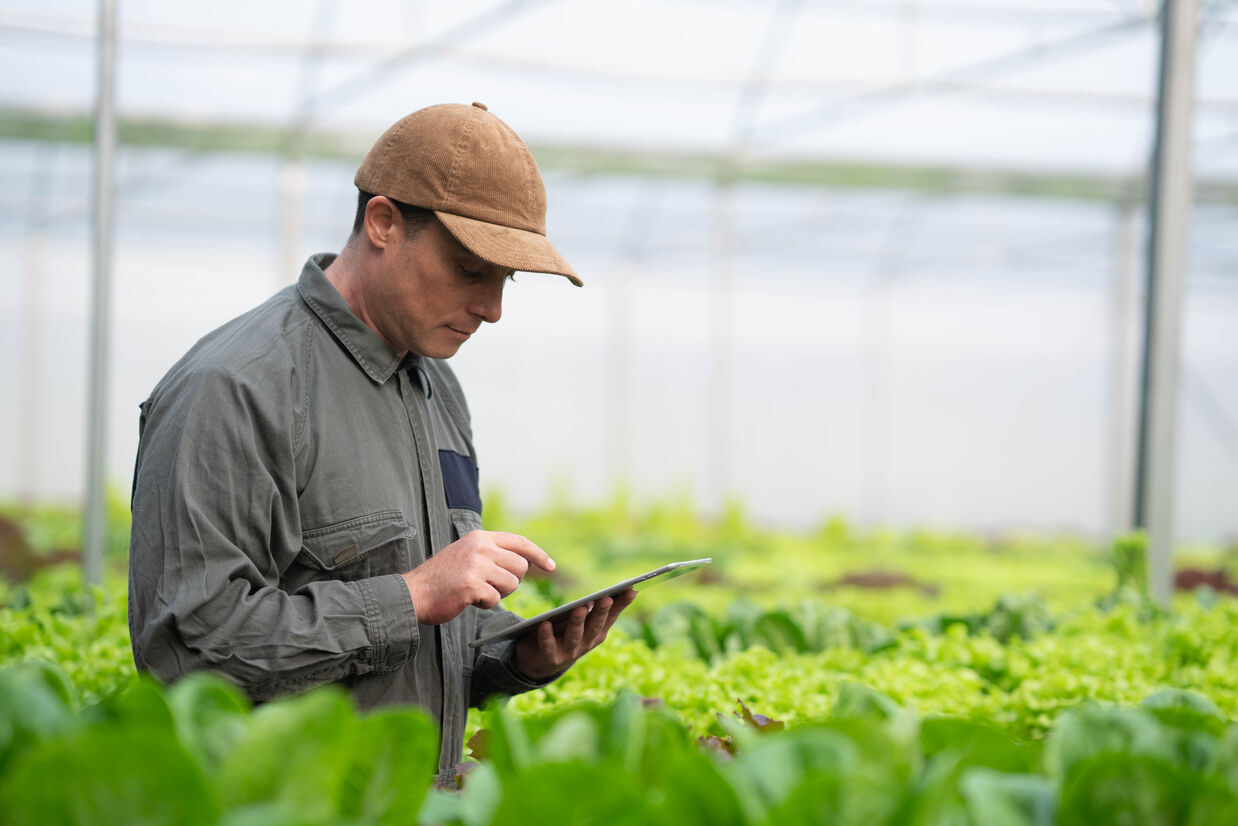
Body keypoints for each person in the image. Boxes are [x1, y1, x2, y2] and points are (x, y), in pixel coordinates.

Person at [127, 102, 636, 782]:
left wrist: (515, 658)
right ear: (383, 223)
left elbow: (419, 646)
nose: (493, 308)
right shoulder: (237, 389)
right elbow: (192, 649)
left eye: (504, 279)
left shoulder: (436, 390)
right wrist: (414, 594)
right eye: (469, 269)